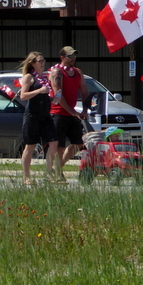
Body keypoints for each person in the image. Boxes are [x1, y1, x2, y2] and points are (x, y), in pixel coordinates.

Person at [50, 46, 89, 183]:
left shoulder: (77, 72)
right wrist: (73, 112)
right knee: (59, 146)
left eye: (74, 56)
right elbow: (58, 95)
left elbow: (84, 92)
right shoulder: (57, 72)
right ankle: (58, 174)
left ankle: (58, 167)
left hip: (72, 114)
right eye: (70, 56)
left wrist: (84, 110)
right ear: (62, 58)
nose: (73, 59)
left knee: (78, 143)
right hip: (58, 113)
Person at [18, 52, 59, 185]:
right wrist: (38, 91)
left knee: (54, 142)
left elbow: (45, 94)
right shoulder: (29, 78)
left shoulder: (45, 78)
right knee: (30, 146)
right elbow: (23, 96)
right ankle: (26, 176)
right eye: (40, 61)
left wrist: (53, 98)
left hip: (45, 115)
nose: (43, 63)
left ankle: (48, 173)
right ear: (33, 63)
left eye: (43, 60)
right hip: (32, 116)